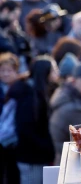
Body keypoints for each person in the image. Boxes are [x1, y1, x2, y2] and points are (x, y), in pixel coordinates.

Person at [12, 56, 58, 184]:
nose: (57, 73)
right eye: (54, 70)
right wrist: (48, 147)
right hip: (31, 157)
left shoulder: (41, 92)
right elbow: (24, 129)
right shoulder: (29, 96)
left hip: (38, 155)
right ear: (45, 72)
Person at [0, 53, 21, 184]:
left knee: (13, 171)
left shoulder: (20, 88)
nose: (6, 74)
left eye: (10, 71)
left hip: (14, 138)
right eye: (2, 71)